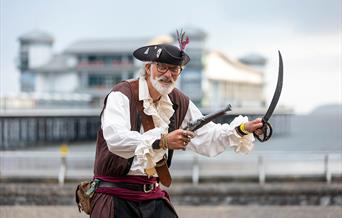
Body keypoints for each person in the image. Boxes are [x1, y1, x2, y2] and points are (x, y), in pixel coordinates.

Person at [90, 31, 263, 218]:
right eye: (162, 67)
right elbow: (116, 139)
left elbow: (207, 136)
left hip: (152, 197)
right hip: (115, 197)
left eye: (175, 69)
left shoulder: (178, 101)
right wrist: (163, 140)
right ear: (148, 68)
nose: (168, 74)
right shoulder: (121, 94)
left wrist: (243, 129)